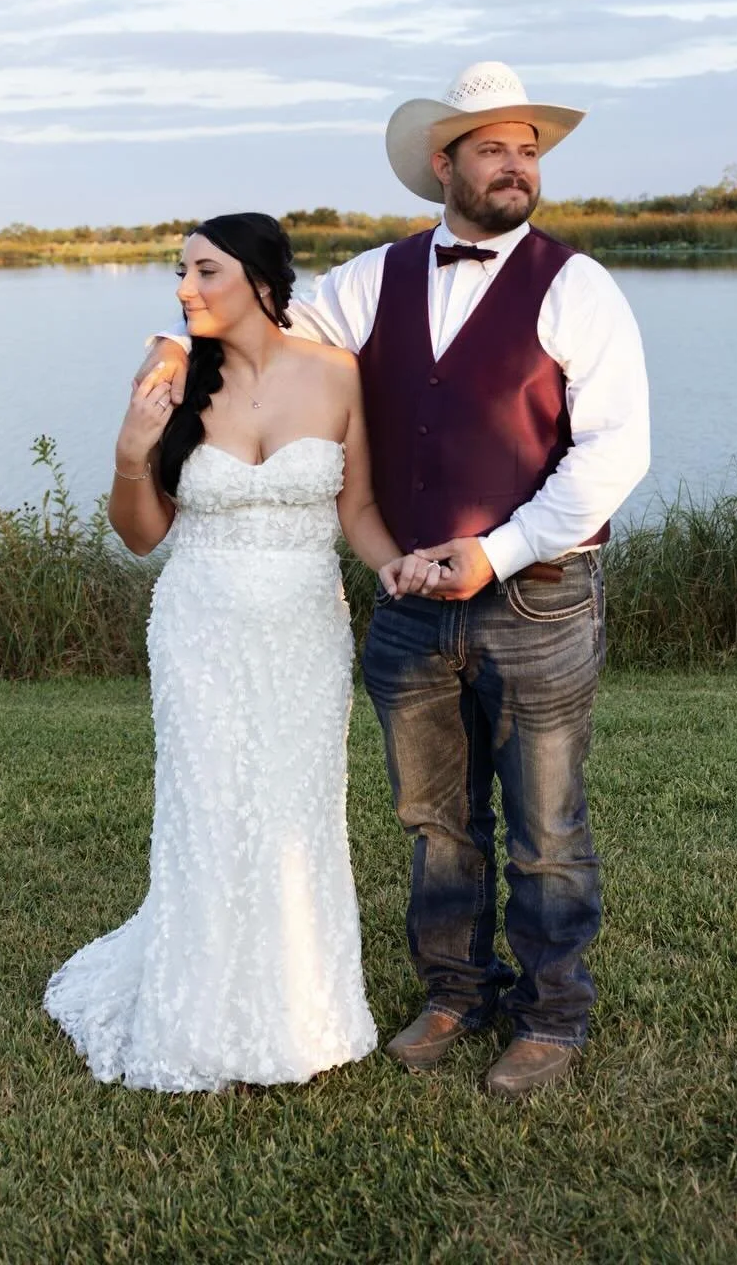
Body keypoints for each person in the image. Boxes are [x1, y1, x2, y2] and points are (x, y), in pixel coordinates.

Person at [139, 63, 650, 1099]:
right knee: (433, 818)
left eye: (529, 149)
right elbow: (276, 336)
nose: (516, 165)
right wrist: (177, 341)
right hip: (412, 599)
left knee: (545, 824)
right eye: (494, 147)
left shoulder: (578, 285)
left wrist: (496, 552)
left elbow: (613, 455)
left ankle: (551, 1016)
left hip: (537, 596)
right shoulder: (373, 279)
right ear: (443, 162)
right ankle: (456, 990)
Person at [44, 212, 438, 1092]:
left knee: (296, 812)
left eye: (204, 271)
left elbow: (360, 512)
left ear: (263, 279)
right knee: (211, 807)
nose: (185, 289)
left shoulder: (339, 376)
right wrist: (130, 455)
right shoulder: (170, 375)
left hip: (304, 629)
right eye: (179, 274)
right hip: (199, 629)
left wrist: (396, 565)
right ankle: (196, 1015)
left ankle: (303, 1011)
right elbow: (140, 535)